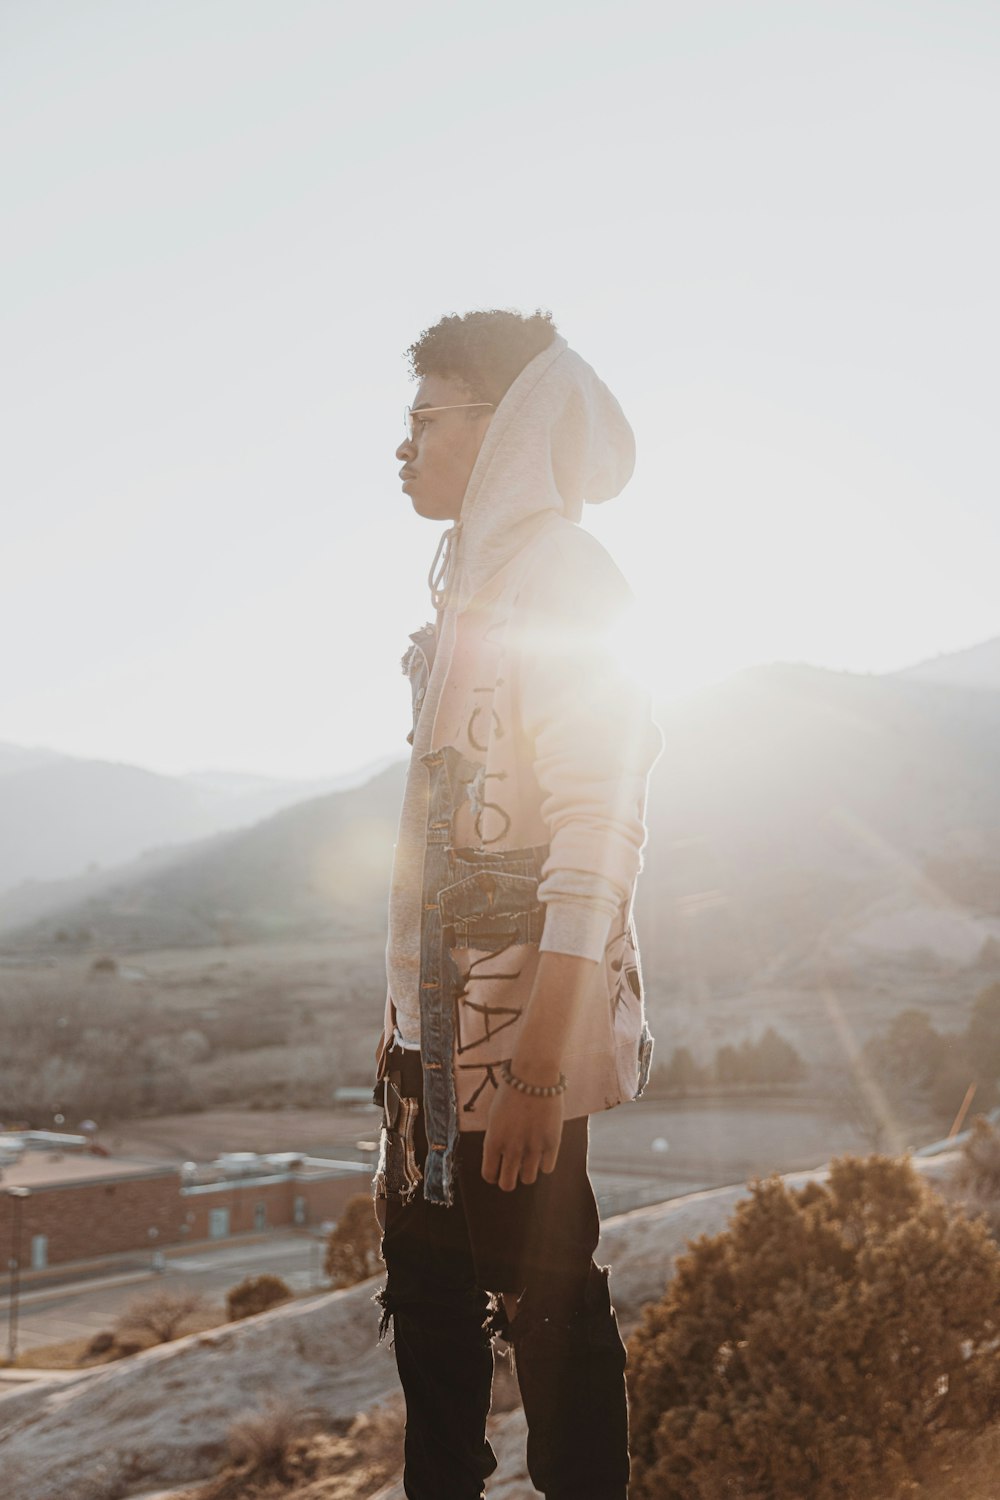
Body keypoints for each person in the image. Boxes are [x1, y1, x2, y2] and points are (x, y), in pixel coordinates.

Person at [372, 308, 662, 1500]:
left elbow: (599, 829)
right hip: (428, 1051)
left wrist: (543, 1070)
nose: (401, 446)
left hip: (513, 1044)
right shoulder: (472, 583)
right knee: (434, 1335)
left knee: (550, 1323)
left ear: (503, 427)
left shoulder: (564, 575)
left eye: (423, 418)